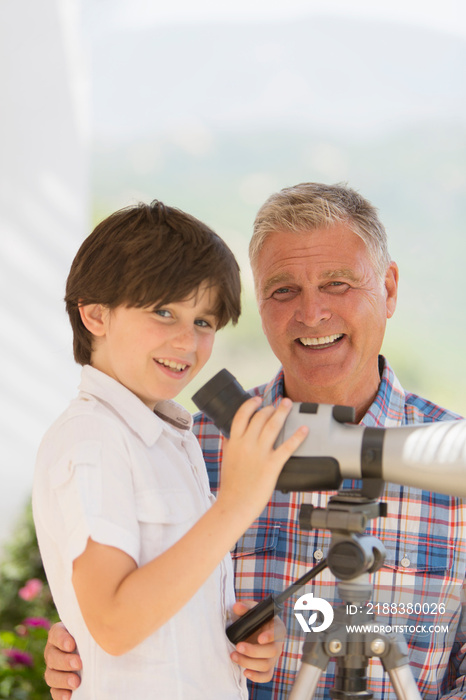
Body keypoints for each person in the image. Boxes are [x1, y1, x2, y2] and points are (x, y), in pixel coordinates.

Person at [43, 183, 466, 700]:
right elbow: (119, 610)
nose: (312, 314)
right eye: (283, 290)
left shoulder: (452, 457)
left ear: (390, 288)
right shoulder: (190, 446)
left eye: (337, 284)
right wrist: (88, 647)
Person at [32, 200, 309, 700]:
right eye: (164, 312)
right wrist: (236, 506)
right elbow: (114, 624)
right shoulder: (93, 438)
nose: (188, 341)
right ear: (95, 314)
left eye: (205, 322)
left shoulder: (169, 437)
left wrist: (225, 637)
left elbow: (156, 615)